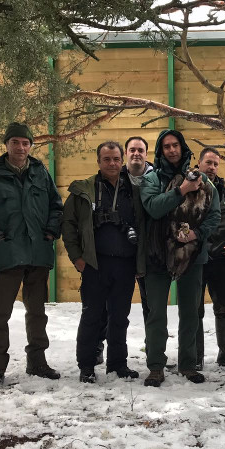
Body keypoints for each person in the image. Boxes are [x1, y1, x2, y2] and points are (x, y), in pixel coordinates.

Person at [0, 122, 63, 385]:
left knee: (37, 312)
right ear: (7, 144)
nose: (21, 147)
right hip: (8, 252)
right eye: (15, 142)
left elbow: (56, 206)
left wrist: (50, 232)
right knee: (0, 313)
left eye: (25, 143)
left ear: (30, 146)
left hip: (37, 253)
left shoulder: (40, 172)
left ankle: (37, 362)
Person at [140, 129, 220, 386]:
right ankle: (155, 367)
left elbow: (214, 215)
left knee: (190, 313)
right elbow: (153, 208)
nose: (172, 150)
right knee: (156, 314)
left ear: (182, 147)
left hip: (192, 255)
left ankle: (188, 364)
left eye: (175, 145)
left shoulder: (203, 181)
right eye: (166, 147)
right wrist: (182, 190)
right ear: (160, 151)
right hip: (158, 253)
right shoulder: (152, 178)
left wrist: (196, 234)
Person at [61, 141, 145, 383]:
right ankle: (86, 365)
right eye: (107, 159)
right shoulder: (84, 190)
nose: (112, 163)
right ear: (98, 161)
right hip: (94, 265)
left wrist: (139, 262)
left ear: (122, 161)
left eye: (116, 159)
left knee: (120, 316)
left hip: (125, 264)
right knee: (92, 316)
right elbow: (68, 224)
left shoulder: (133, 190)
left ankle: (118, 364)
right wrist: (77, 257)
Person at [195, 148, 225, 371]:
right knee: (194, 310)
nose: (212, 167)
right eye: (208, 163)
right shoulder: (188, 190)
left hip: (222, 260)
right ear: (199, 164)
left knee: (224, 309)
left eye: (216, 164)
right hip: (195, 259)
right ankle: (194, 356)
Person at [125, 135, 153, 323]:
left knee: (150, 306)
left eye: (140, 150)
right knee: (116, 306)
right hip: (121, 252)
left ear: (146, 154)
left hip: (151, 252)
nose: (136, 154)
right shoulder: (114, 179)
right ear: (126, 153)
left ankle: (152, 348)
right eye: (132, 150)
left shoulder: (156, 179)